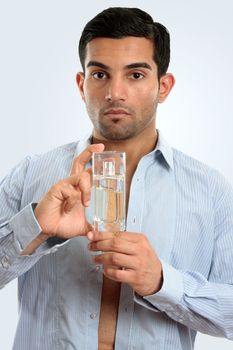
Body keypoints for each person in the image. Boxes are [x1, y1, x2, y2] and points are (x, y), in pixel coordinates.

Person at [0, 6, 233, 350]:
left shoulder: (211, 191)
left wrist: (163, 281)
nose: (115, 93)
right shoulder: (32, 173)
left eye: (135, 75)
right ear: (82, 84)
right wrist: (35, 228)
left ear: (164, 86)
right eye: (100, 75)